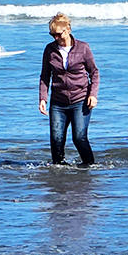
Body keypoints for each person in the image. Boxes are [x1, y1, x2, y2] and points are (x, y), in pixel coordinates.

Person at [39, 13, 99, 166]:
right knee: (56, 139)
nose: (56, 38)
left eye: (58, 34)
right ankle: (58, 170)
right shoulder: (49, 50)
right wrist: (43, 98)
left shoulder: (83, 48)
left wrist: (93, 95)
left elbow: (94, 72)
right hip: (58, 102)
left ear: (68, 30)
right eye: (52, 35)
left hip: (80, 100)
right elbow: (45, 76)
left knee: (79, 138)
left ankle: (90, 165)